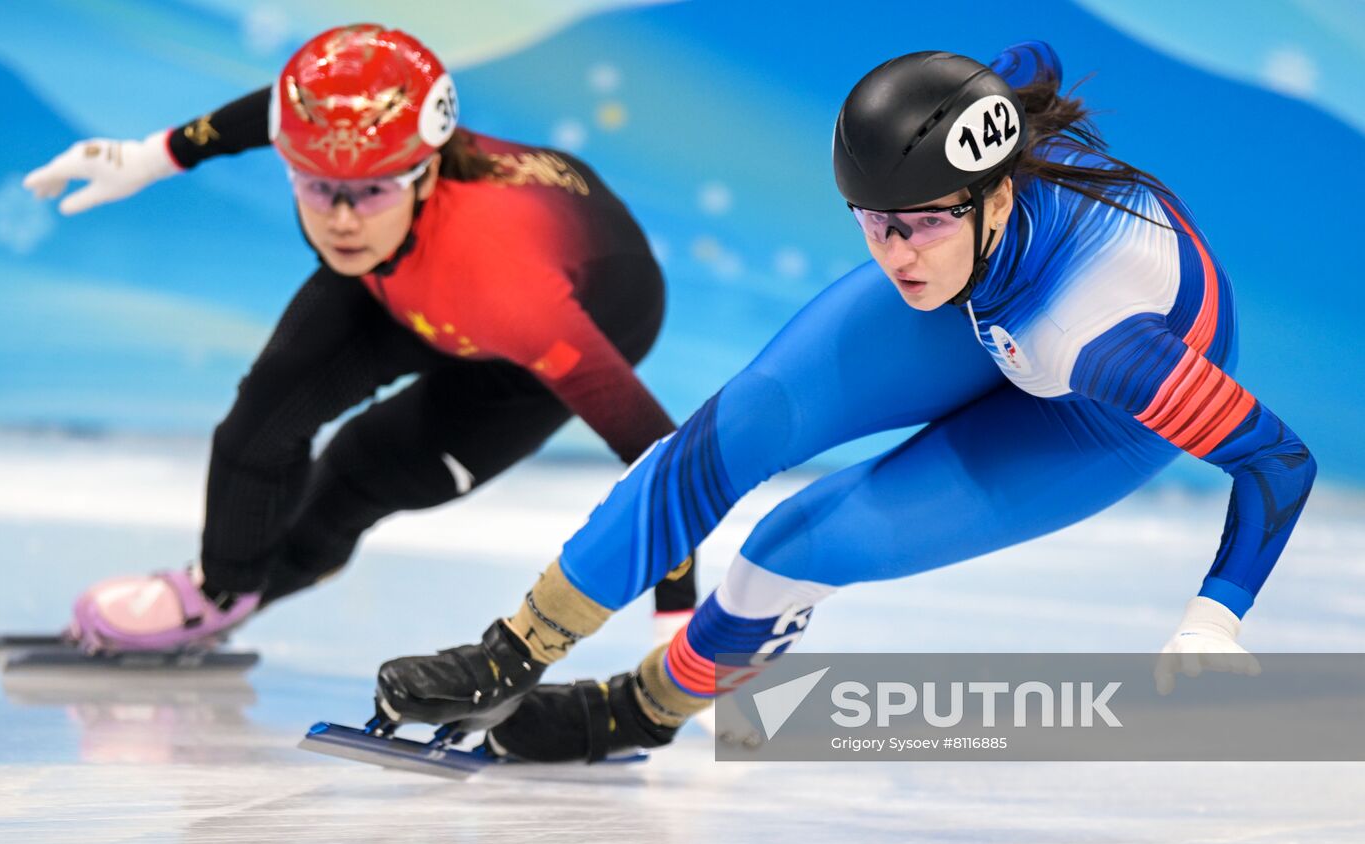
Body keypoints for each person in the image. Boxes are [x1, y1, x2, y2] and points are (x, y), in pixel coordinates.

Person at [363, 41, 1316, 761]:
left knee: (802, 544)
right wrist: (933, 228)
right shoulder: (956, 193)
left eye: (919, 226)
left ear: (990, 197)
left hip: (1083, 413)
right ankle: (509, 652)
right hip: (982, 294)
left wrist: (1216, 612)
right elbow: (1030, 67)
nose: (895, 253)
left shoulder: (1113, 344)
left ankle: (640, 709)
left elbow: (1279, 461)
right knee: (734, 432)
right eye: (873, 223)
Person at [25, 23, 696, 654]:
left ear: (427, 173)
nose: (341, 219)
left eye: (371, 190)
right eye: (317, 187)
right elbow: (276, 115)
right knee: (257, 425)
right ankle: (216, 592)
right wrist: (151, 155)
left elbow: (658, 454)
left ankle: (244, 593)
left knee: (359, 470)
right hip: (401, 276)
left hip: (549, 321)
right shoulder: (358, 190)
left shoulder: (510, 287)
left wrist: (678, 612)